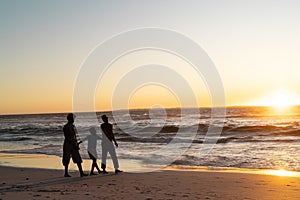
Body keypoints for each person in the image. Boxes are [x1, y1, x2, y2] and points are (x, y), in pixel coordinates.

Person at [62, 113, 87, 177]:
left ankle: (81, 172)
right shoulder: (66, 127)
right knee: (67, 158)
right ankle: (66, 173)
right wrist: (74, 143)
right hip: (68, 144)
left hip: (73, 144)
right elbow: (67, 137)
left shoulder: (73, 126)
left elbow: (74, 136)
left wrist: (76, 143)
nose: (73, 120)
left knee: (78, 158)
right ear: (69, 119)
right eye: (73, 118)